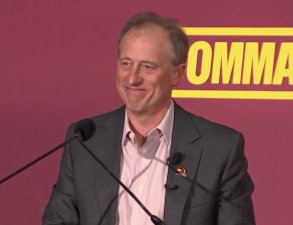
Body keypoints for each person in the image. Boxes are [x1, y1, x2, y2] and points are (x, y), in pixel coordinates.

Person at [42, 12, 256, 225]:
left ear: (177, 74)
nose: (132, 78)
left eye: (147, 67)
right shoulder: (85, 140)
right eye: (126, 63)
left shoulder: (219, 149)